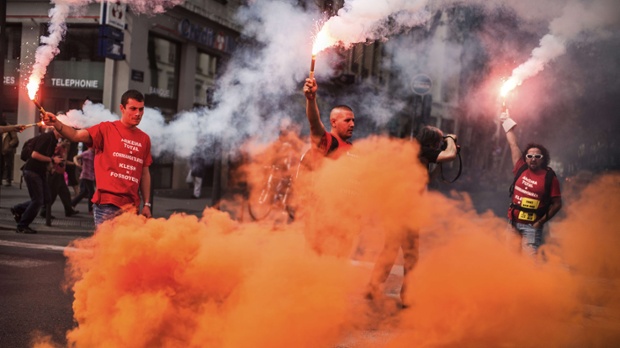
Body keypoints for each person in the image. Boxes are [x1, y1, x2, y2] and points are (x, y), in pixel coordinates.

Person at [366, 125, 459, 309]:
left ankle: (373, 287)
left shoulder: (415, 152)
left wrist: (436, 164)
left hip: (397, 209)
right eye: (437, 142)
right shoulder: (421, 150)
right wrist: (450, 140)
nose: (439, 145)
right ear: (431, 141)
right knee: (410, 256)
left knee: (391, 250)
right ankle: (405, 295)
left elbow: (424, 180)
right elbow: (450, 155)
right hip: (403, 211)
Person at [42, 89, 153, 227]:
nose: (138, 114)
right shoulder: (106, 129)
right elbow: (75, 136)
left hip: (131, 207)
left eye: (141, 109)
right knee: (105, 248)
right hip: (107, 205)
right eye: (133, 109)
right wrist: (56, 123)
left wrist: (147, 204)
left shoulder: (144, 139)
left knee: (126, 249)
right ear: (122, 108)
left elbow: (144, 172)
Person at [500, 110, 562, 256]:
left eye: (537, 156)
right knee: (509, 261)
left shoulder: (549, 177)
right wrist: (506, 122)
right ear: (525, 158)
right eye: (530, 156)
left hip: (532, 227)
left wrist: (540, 222)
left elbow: (557, 204)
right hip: (512, 224)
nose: (533, 158)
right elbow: (513, 144)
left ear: (543, 158)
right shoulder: (520, 167)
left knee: (529, 265)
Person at [10, 127, 63, 234]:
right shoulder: (47, 138)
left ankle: (18, 209)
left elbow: (45, 156)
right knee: (38, 200)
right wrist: (52, 160)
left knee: (46, 198)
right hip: (32, 171)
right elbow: (35, 155)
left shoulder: (53, 140)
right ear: (57, 130)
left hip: (39, 172)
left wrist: (51, 167)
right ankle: (22, 226)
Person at [303, 77, 354, 159]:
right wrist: (311, 99)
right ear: (334, 122)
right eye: (347, 120)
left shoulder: (353, 149)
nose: (352, 124)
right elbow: (314, 122)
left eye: (353, 120)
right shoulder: (326, 141)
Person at [40, 138, 79, 218]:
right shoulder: (59, 147)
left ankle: (69, 210)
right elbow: (52, 156)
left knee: (65, 193)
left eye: (69, 142)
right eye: (67, 141)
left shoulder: (64, 149)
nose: (68, 143)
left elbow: (63, 161)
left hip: (60, 174)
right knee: (52, 193)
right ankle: (45, 211)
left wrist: (74, 164)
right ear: (63, 141)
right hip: (55, 173)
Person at [71, 144, 95, 214]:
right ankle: (90, 210)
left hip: (90, 176)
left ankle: (72, 204)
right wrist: (77, 164)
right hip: (86, 175)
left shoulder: (94, 154)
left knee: (84, 192)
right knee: (91, 192)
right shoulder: (87, 153)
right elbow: (75, 157)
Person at [1, 120, 20, 186]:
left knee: (8, 165)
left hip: (8, 150)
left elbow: (15, 139)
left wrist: (9, 145)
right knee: (2, 165)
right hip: (2, 149)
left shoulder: (10, 128)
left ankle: (8, 180)